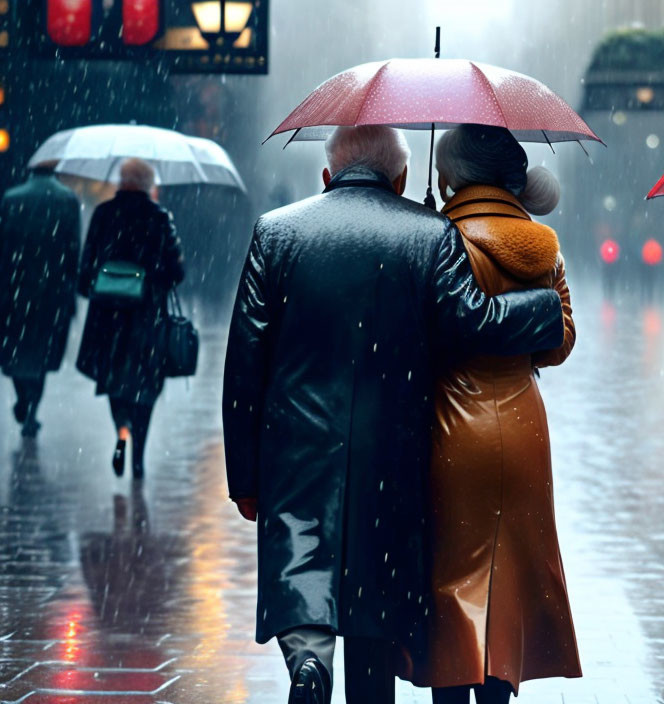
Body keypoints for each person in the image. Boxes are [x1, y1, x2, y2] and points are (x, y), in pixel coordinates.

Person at [222, 125, 564, 704]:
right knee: (372, 599)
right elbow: (473, 322)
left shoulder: (275, 232)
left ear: (327, 175)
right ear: (403, 178)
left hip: (296, 447)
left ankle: (308, 661)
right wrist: (545, 307)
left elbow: (245, 362)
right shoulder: (428, 234)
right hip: (392, 450)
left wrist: (245, 478)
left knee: (303, 564)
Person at [398, 125, 581, 704]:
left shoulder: (440, 240)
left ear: (451, 176)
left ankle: (451, 685)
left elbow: (423, 340)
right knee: (512, 577)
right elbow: (559, 343)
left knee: (454, 571)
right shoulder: (542, 244)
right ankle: (499, 687)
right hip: (525, 425)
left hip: (451, 425)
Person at [76, 158, 184, 480]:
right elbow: (177, 272)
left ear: (122, 181)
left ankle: (121, 431)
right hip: (147, 319)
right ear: (149, 183)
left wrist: (99, 286)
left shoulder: (103, 214)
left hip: (108, 319)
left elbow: (86, 268)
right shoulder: (160, 218)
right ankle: (138, 456)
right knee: (145, 387)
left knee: (114, 382)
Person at [0, 162, 81, 438]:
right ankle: (32, 409)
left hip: (16, 290)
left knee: (16, 351)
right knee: (42, 354)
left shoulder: (12, 199)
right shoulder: (68, 200)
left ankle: (24, 398)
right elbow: (73, 249)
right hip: (53, 292)